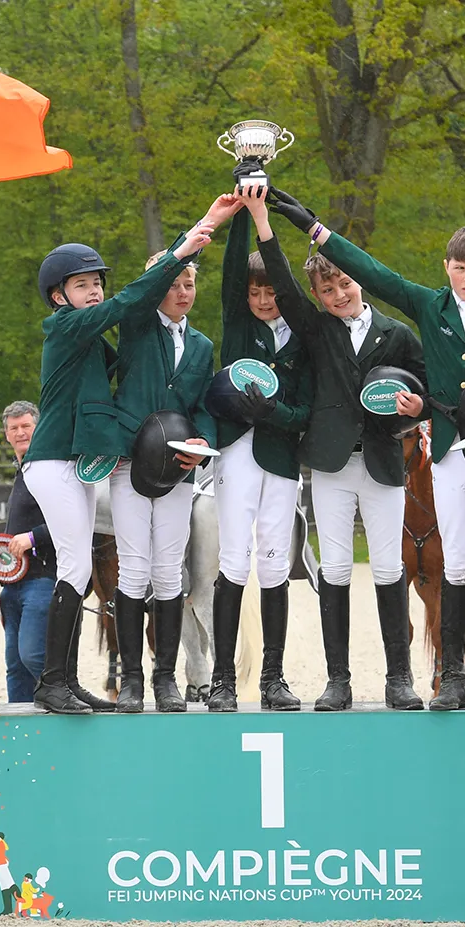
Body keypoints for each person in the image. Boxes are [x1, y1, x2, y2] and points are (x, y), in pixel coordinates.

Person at [276, 196, 465, 711]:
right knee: (454, 562)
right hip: (447, 448)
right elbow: (373, 273)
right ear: (447, 267)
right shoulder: (430, 306)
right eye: (461, 268)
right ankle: (452, 677)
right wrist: (311, 227)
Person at [21, 195, 237, 714]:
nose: (94, 291)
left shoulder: (99, 338)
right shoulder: (67, 327)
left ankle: (69, 681)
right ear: (58, 298)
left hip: (93, 461)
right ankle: (66, 681)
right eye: (82, 285)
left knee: (84, 567)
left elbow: (159, 383)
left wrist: (198, 439)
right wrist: (193, 238)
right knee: (79, 567)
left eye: (97, 282)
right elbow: (131, 305)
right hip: (55, 457)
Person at [244, 186, 427, 711]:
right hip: (330, 463)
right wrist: (264, 219)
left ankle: (399, 677)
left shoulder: (398, 333)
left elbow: (423, 389)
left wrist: (418, 410)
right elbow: (278, 276)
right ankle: (338, 679)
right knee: (337, 569)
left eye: (344, 284)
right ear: (318, 297)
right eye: (328, 291)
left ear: (357, 281)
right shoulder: (316, 329)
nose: (339, 296)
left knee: (390, 566)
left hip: (383, 460)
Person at [208, 204, 313, 713]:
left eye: (272, 292)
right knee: (233, 560)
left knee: (275, 565)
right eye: (256, 292)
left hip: (281, 456)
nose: (265, 300)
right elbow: (232, 270)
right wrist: (247, 211)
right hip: (238, 454)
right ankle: (223, 678)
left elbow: (306, 410)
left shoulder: (301, 338)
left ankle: (272, 676)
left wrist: (278, 412)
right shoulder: (236, 323)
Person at [107, 249, 215, 713]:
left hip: (179, 471)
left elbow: (204, 405)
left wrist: (202, 442)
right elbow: (142, 295)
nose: (181, 293)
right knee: (133, 568)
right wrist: (180, 252)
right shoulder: (135, 326)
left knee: (170, 571)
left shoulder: (203, 346)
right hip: (131, 464)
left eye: (188, 284)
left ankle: (166, 678)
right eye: (172, 285)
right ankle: (131, 679)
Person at [0, 401, 55, 704]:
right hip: (13, 583)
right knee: (15, 667)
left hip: (42, 579)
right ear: (7, 435)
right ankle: (17, 725)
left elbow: (73, 520)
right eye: (14, 428)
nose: (20, 432)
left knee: (33, 655)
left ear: (38, 428)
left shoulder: (50, 470)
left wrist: (32, 538)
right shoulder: (21, 471)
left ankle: (65, 708)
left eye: (26, 426)